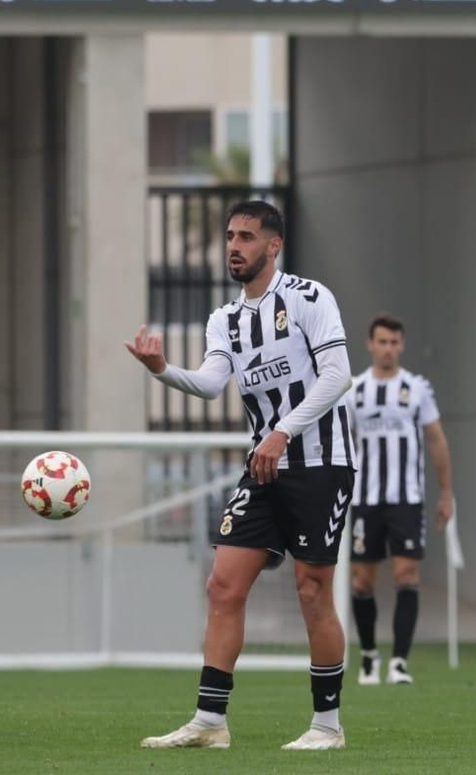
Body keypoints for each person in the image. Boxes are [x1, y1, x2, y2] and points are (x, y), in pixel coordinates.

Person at [126, 200, 356, 752]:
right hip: (264, 466)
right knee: (223, 585)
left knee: (312, 591)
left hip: (321, 462)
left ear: (273, 246)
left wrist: (283, 431)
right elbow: (209, 384)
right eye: (230, 235)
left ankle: (328, 726)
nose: (235, 245)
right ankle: (210, 721)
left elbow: (338, 375)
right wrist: (162, 371)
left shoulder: (308, 297)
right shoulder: (224, 318)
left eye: (247, 237)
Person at [346, 314, 453, 686]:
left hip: (406, 499)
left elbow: (436, 439)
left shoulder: (417, 388)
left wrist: (446, 493)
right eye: (382, 341)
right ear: (370, 344)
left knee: (406, 573)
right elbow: (343, 444)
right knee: (361, 579)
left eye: (394, 342)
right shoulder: (354, 389)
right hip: (365, 498)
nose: (388, 348)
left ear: (401, 346)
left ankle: (400, 662)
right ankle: (370, 657)